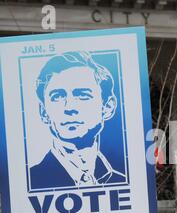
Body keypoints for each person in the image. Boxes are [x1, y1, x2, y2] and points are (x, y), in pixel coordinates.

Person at [30, 51, 126, 189]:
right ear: (44, 112)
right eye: (57, 96)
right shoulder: (30, 182)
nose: (69, 107)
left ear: (108, 107)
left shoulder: (123, 182)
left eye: (83, 95)